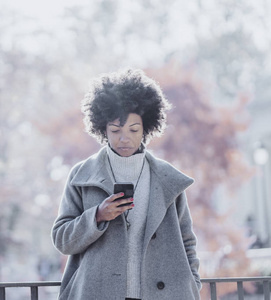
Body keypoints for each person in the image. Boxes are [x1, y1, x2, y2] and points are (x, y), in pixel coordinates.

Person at [51, 69, 201, 300]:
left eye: (133, 129)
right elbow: (62, 239)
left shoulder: (168, 179)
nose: (124, 138)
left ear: (146, 129)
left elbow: (187, 241)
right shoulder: (82, 176)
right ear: (102, 129)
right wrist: (97, 216)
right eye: (115, 130)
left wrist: (192, 284)